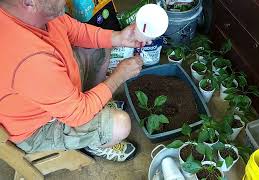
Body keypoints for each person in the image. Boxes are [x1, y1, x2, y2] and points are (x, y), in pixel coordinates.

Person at [0, 0, 150, 162]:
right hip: (38, 127)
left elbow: (75, 30)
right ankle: (96, 144)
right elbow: (78, 114)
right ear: (29, 2)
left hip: (54, 96)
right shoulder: (30, 60)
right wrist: (119, 76)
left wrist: (119, 38)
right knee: (120, 124)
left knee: (101, 44)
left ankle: (96, 107)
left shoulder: (36, 14)